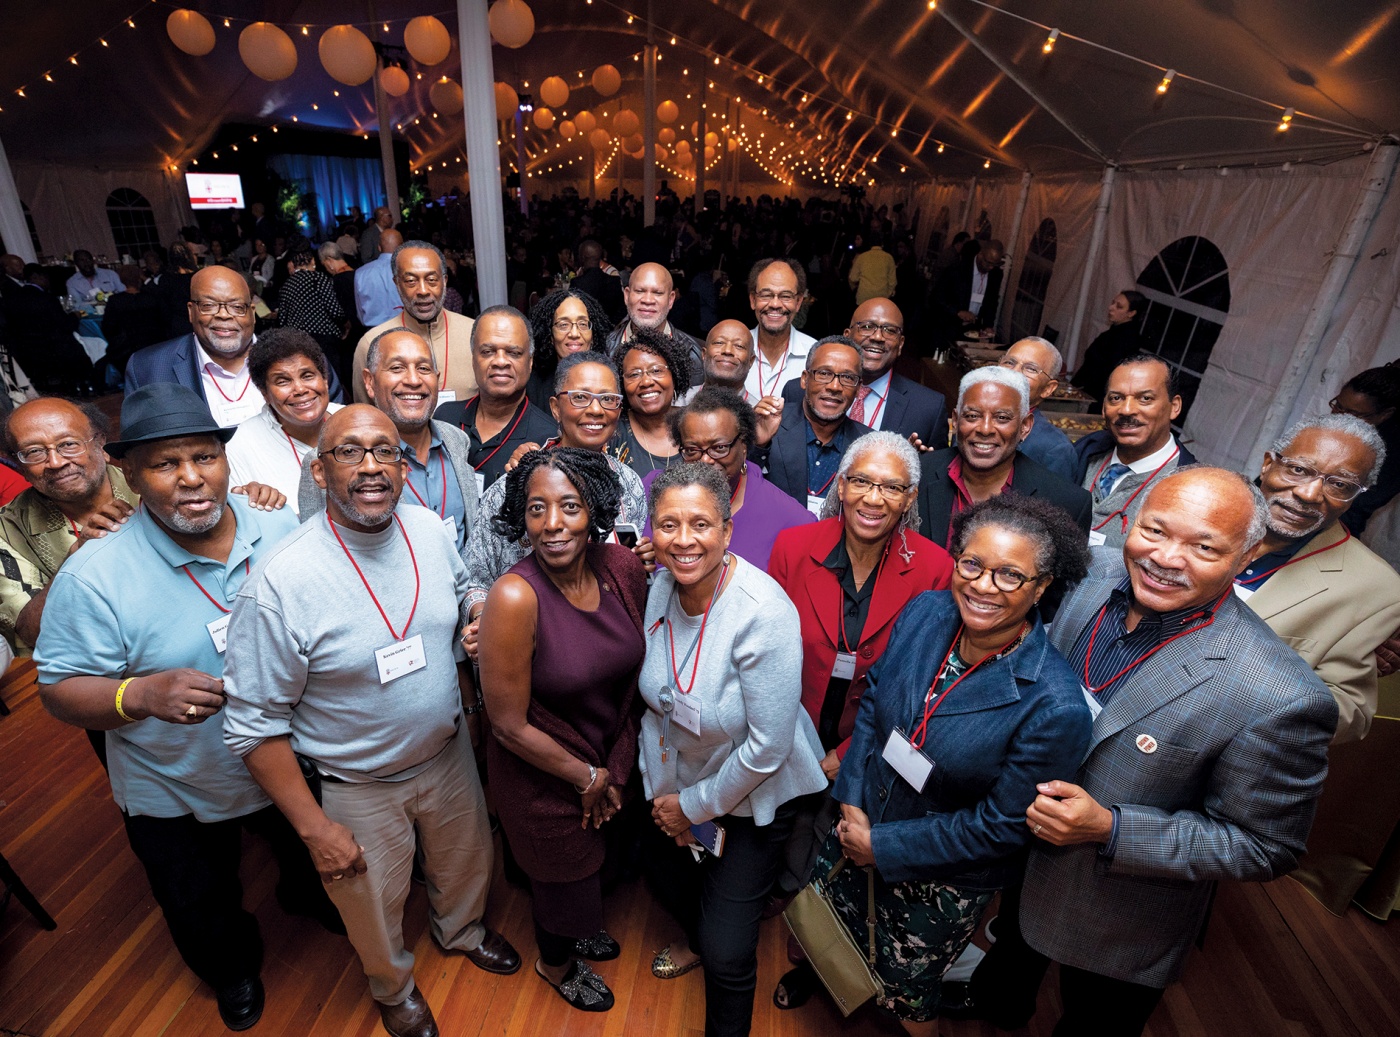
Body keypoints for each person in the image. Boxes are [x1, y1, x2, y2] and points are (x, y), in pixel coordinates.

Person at [949, 467, 1337, 1037]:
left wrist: (1109, 828)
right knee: (1011, 959)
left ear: (1249, 552)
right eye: (1156, 531)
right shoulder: (1089, 574)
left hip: (1121, 912)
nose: (1167, 558)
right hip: (1017, 852)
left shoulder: (1277, 694)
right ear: (1130, 520)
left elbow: (1266, 846)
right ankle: (997, 1003)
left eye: (1204, 546)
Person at [33, 383, 337, 1032]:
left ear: (227, 462)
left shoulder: (278, 526)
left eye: (204, 457)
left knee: (303, 849)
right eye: (165, 464)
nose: (191, 477)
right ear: (132, 476)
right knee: (200, 896)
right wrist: (136, 693)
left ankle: (306, 896)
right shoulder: (95, 574)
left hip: (287, 754)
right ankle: (232, 972)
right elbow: (57, 690)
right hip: (173, 780)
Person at [222, 404, 519, 1037]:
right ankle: (394, 986)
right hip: (356, 782)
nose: (371, 467)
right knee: (372, 904)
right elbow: (252, 726)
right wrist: (313, 829)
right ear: (319, 470)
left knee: (467, 862)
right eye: (350, 452)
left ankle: (461, 931)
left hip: (447, 753)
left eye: (384, 451)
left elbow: (466, 586)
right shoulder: (280, 582)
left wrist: (475, 612)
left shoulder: (431, 529)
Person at [783, 494, 1094, 1030]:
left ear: (1042, 588)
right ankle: (821, 972)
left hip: (940, 878)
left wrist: (881, 847)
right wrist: (852, 799)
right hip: (860, 817)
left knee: (903, 992)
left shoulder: (1053, 705)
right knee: (826, 925)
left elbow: (1003, 826)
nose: (981, 585)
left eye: (1009, 576)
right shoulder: (929, 611)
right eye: (971, 564)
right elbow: (877, 700)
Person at [639, 462, 827, 1036]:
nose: (684, 539)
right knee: (667, 880)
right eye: (669, 524)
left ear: (726, 529)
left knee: (726, 951)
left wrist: (689, 807)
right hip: (683, 777)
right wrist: (666, 794)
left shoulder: (762, 612)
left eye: (701, 524)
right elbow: (661, 698)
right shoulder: (664, 585)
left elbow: (767, 748)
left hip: (752, 795)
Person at [478, 448, 648, 1011]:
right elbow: (505, 724)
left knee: (597, 860)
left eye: (569, 506)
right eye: (536, 509)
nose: (552, 524)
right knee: (562, 878)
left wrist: (612, 767)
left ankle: (582, 925)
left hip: (607, 751)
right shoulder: (514, 595)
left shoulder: (620, 568)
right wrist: (587, 778)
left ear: (594, 508)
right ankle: (556, 963)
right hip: (541, 772)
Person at [765, 432, 953, 910]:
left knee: (835, 827)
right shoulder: (793, 544)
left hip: (871, 732)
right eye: (862, 482)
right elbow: (768, 649)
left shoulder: (935, 568)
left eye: (891, 487)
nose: (873, 498)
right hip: (792, 717)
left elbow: (920, 684)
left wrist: (848, 753)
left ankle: (811, 900)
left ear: (910, 497)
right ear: (841, 487)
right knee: (779, 817)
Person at [1235, 415, 1400, 743]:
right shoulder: (1199, 513)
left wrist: (1242, 695)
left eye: (1340, 484)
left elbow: (1351, 713)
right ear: (1268, 464)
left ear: (1357, 495)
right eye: (1297, 469)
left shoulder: (1378, 589)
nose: (1309, 493)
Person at [462, 351, 648, 634]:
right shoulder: (513, 487)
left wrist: (640, 565)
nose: (596, 410)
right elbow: (475, 581)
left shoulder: (629, 485)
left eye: (608, 399)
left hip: (611, 644)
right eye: (580, 397)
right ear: (555, 407)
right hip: (532, 644)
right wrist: (483, 623)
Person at [302, 329, 478, 559]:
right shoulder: (331, 461)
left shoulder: (457, 440)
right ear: (369, 381)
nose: (413, 380)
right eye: (397, 368)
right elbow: (319, 553)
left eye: (423, 369)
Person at [125, 266, 348, 426]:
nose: (223, 315)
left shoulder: (306, 359)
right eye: (209, 305)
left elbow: (336, 427)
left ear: (252, 313)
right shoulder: (149, 369)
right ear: (191, 311)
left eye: (236, 306)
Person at [0, 399, 138, 655]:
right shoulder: (6, 530)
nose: (55, 462)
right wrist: (76, 562)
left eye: (68, 444)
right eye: (34, 452)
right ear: (19, 465)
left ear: (100, 444)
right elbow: (30, 633)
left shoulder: (149, 489)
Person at [917, 367, 1092, 548]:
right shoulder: (916, 476)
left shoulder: (1066, 504)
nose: (985, 429)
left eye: (1001, 418)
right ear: (955, 419)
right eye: (972, 416)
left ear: (1025, 426)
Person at [643, 387, 814, 569]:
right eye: (692, 450)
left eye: (719, 448)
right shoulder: (653, 491)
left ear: (744, 446)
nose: (706, 459)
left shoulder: (790, 518)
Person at [780, 298, 947, 446]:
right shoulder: (797, 390)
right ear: (847, 335)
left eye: (889, 330)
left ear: (901, 344)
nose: (878, 337)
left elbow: (934, 475)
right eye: (867, 327)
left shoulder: (928, 409)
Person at [1073, 353, 1196, 548]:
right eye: (1116, 398)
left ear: (1174, 407)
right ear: (1104, 408)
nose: (1127, 410)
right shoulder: (1085, 451)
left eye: (1145, 398)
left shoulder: (1189, 487)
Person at [433, 305, 558, 493]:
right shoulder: (444, 418)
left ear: (530, 362)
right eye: (488, 351)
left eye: (514, 353)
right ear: (473, 359)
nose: (500, 361)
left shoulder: (548, 438)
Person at [225, 330, 344, 515]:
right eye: (283, 381)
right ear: (264, 392)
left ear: (325, 380)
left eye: (307, 376)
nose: (300, 389)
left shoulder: (357, 422)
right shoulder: (241, 445)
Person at [353, 240, 477, 406]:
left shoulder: (475, 334)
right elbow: (365, 416)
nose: (423, 291)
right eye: (411, 281)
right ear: (397, 283)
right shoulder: (372, 343)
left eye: (432, 279)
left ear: (445, 281)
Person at [759, 336, 871, 514]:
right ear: (805, 379)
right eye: (824, 374)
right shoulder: (768, 424)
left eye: (848, 378)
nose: (835, 386)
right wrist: (758, 446)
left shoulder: (870, 445)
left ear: (858, 389)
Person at [609, 326, 692, 476]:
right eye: (634, 374)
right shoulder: (611, 432)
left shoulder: (696, 423)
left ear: (674, 374)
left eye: (656, 371)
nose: (646, 381)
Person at [1329, 365, 1400, 534]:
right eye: (1338, 405)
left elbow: (1353, 509)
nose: (1340, 416)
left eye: (1353, 414)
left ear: (1385, 415)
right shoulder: (1326, 429)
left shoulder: (1390, 458)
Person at [605, 262, 702, 380]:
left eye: (657, 293)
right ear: (626, 295)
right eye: (640, 291)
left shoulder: (692, 353)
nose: (648, 300)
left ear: (671, 300)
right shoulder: (605, 349)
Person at [999, 336, 1077, 479]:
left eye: (1031, 369)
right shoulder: (970, 420)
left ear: (1048, 388)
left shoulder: (1054, 449)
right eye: (1009, 362)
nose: (1014, 372)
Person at [525, 288, 614, 411]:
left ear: (593, 334)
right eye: (563, 325)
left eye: (583, 324)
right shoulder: (532, 387)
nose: (574, 333)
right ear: (550, 335)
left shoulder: (610, 380)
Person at [743, 257, 816, 401]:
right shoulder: (733, 352)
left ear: (798, 302)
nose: (775, 304)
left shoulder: (816, 355)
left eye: (785, 296)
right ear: (753, 300)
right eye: (766, 295)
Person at [1070, 290, 1149, 407]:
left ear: (1131, 313)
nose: (1111, 308)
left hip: (1097, 399)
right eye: (1113, 303)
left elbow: (1108, 371)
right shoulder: (1114, 332)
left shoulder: (1127, 339)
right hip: (1088, 393)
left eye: (1119, 307)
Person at [930, 239, 1004, 351]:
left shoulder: (996, 274)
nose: (991, 268)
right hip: (949, 325)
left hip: (973, 330)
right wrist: (958, 312)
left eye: (994, 265)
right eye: (988, 263)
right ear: (980, 255)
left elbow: (992, 302)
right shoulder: (958, 269)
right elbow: (937, 297)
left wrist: (988, 325)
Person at [276, 250, 345, 364]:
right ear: (313, 261)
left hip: (297, 339)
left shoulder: (286, 286)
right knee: (330, 374)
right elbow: (333, 309)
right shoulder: (318, 278)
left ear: (294, 264)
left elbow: (282, 319)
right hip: (323, 335)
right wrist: (344, 323)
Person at [100, 264, 169, 378]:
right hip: (155, 346)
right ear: (139, 277)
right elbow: (164, 320)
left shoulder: (115, 301)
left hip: (126, 351)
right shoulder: (152, 297)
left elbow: (108, 327)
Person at [680, 319, 756, 405]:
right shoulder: (676, 404)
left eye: (739, 346)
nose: (727, 351)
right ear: (704, 354)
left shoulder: (758, 414)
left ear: (751, 361)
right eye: (719, 342)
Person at [353, 227, 404, 329]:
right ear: (402, 247)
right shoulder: (411, 269)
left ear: (379, 247)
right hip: (406, 329)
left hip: (374, 331)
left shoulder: (361, 273)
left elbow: (360, 312)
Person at [570, 239, 625, 323]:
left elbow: (573, 311)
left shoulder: (578, 283)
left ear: (582, 257)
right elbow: (622, 311)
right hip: (609, 331)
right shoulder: (614, 281)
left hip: (587, 331)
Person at [847, 238, 897, 305]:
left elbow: (853, 278)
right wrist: (888, 295)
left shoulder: (862, 257)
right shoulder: (889, 258)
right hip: (881, 297)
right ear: (882, 244)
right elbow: (892, 282)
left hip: (864, 297)